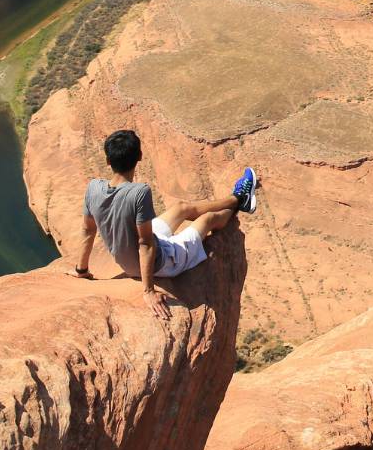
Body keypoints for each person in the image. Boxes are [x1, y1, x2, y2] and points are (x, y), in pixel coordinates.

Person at [69, 129, 258, 320]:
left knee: (181, 208)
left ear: (108, 161)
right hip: (163, 262)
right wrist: (148, 291)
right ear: (139, 157)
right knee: (208, 219)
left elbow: (87, 229)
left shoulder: (93, 187)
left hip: (140, 251)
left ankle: (235, 198)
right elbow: (145, 244)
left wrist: (81, 270)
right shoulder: (139, 192)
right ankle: (241, 202)